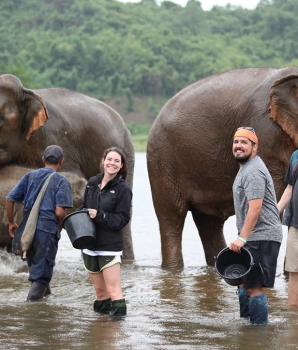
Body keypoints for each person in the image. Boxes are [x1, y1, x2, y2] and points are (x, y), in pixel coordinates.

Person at [229, 127, 282, 324]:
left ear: (255, 146)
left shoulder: (253, 171)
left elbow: (255, 208)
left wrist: (242, 238)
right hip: (254, 236)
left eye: (244, 142)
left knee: (253, 287)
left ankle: (258, 335)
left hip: (262, 236)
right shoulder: (246, 168)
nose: (239, 146)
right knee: (244, 284)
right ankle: (247, 329)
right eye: (236, 142)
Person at [6, 145, 73, 302]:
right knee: (41, 276)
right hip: (46, 233)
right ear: (61, 162)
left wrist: (11, 223)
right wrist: (69, 222)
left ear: (43, 160)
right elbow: (59, 212)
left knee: (38, 270)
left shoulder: (29, 176)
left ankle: (47, 301)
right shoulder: (62, 181)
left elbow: (10, 199)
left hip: (27, 232)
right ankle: (30, 313)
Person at [79, 146, 132, 317]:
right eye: (109, 159)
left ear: (122, 165)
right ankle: (100, 331)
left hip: (109, 247)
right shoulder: (92, 182)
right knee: (101, 293)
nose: (112, 163)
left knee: (114, 291)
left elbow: (122, 219)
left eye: (117, 161)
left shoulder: (123, 190)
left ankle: (116, 333)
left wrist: (99, 215)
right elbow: (84, 207)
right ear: (103, 161)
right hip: (89, 245)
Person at [277, 150, 298, 307]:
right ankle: (293, 321)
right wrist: (274, 213)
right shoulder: (295, 156)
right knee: (293, 273)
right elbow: (289, 188)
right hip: (295, 226)